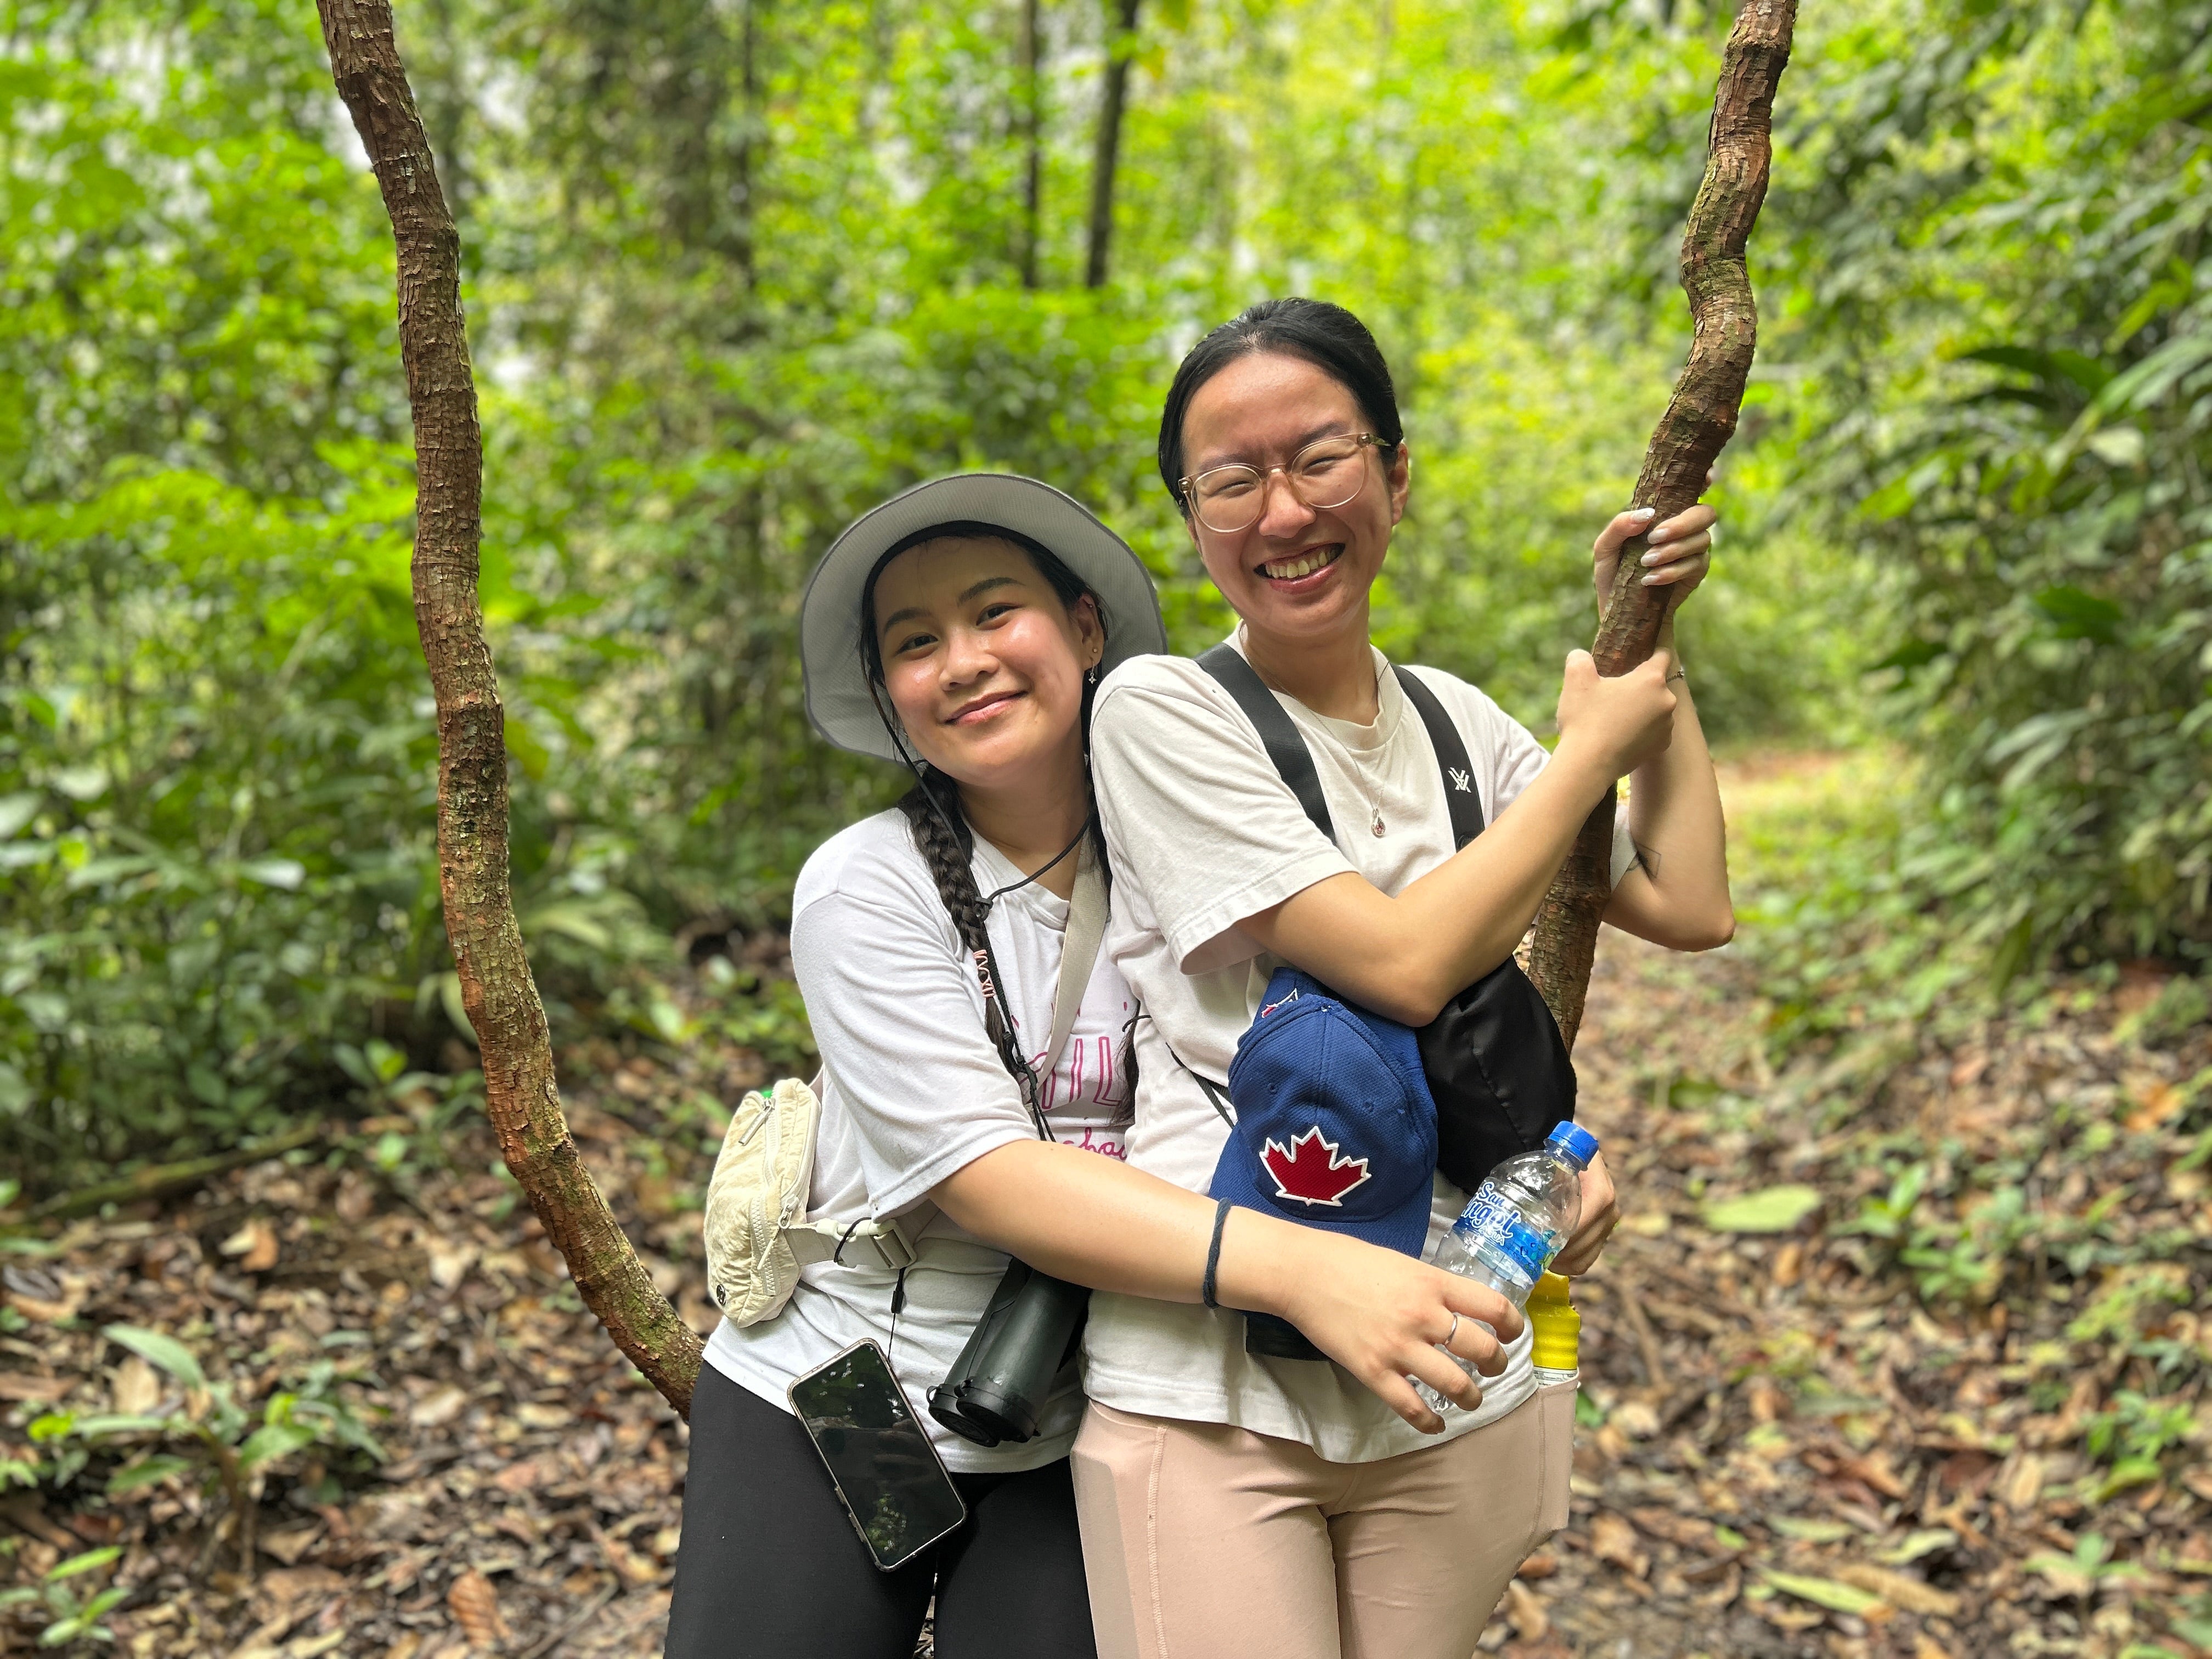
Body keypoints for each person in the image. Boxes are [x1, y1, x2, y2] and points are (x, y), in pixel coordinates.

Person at [1063, 296, 1735, 1659]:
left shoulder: (1456, 723)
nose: (1282, 510)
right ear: (1192, 520)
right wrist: (1592, 754)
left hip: (1450, 1361)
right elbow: (1405, 965)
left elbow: (1688, 898)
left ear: (1395, 474)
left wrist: (1649, 653)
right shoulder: (1158, 710)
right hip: (1216, 1389)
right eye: (1230, 481)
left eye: (1320, 457)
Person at [662, 473, 1167, 1659]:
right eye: (916, 642)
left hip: (1078, 1414)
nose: (964, 661)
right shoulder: (865, 884)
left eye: (998, 613)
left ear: (1085, 629)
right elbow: (987, 1181)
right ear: (891, 695)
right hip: (855, 1392)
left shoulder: (1190, 866)